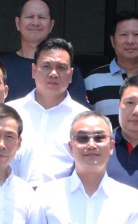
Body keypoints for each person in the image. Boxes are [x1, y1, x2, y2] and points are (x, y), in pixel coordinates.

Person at [12, 37, 89, 184]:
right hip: (13, 195)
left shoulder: (84, 119)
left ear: (71, 74)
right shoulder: (11, 112)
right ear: (34, 70)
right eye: (46, 66)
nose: (53, 73)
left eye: (61, 67)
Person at [0, 0, 88, 105]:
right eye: (30, 17)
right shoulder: (0, 67)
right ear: (18, 23)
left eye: (41, 17)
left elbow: (79, 111)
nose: (35, 22)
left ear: (51, 25)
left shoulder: (66, 70)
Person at [85, 11, 138, 120]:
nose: (130, 41)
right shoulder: (92, 80)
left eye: (137, 35)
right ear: (112, 41)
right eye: (123, 35)